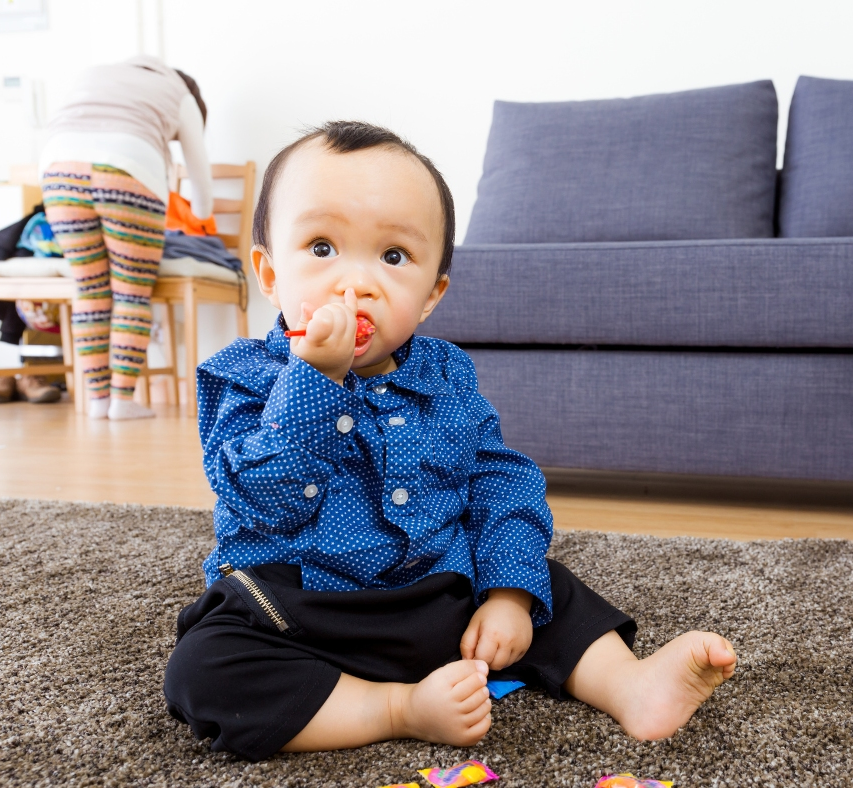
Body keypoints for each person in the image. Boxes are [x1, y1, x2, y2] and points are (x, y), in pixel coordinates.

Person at [163, 121, 737, 762]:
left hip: (442, 603)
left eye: (392, 257)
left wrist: (509, 597)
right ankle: (392, 708)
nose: (355, 283)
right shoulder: (241, 377)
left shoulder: (447, 375)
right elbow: (261, 501)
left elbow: (499, 478)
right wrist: (314, 383)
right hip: (302, 612)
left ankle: (632, 685)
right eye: (321, 247)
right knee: (205, 669)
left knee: (548, 586)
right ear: (269, 272)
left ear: (432, 293)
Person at [39, 55, 213, 420]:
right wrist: (198, 216)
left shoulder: (95, 71)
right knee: (131, 290)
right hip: (128, 171)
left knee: (89, 287)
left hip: (58, 172)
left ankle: (97, 400)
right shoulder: (180, 93)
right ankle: (122, 400)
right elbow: (199, 171)